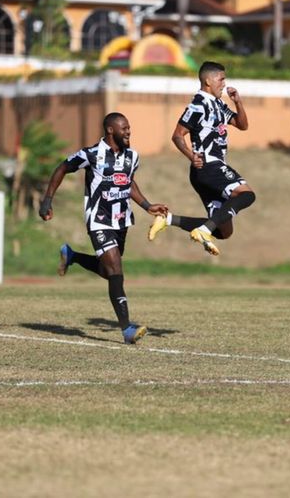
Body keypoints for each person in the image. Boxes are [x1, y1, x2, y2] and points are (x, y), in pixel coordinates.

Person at [38, 112, 167, 345]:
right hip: (98, 219)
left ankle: (72, 256)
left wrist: (147, 205)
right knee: (116, 268)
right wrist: (47, 200)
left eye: (129, 127)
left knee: (108, 272)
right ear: (110, 130)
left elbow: (128, 182)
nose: (128, 131)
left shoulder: (132, 156)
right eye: (124, 128)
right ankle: (127, 329)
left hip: (122, 221)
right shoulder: (91, 154)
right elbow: (62, 168)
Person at [147, 61, 256, 256]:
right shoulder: (198, 105)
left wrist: (238, 102)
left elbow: (242, 125)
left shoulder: (219, 104)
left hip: (207, 172)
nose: (224, 83)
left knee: (224, 231)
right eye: (221, 79)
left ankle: (168, 220)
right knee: (247, 195)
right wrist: (191, 156)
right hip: (208, 166)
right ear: (208, 81)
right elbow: (177, 135)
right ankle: (203, 231)